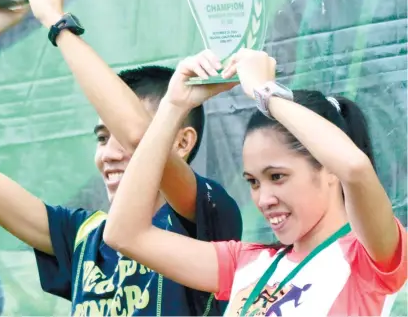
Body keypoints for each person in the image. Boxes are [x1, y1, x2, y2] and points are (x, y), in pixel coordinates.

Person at [0, 0, 242, 316]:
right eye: (102, 138)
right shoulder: (84, 237)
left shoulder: (206, 216)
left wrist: (56, 20)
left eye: (119, 138)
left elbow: (139, 137)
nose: (109, 154)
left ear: (181, 142)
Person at [103, 48, 407, 316]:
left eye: (277, 177)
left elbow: (354, 167)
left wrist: (267, 94)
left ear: (329, 168)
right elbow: (124, 233)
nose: (263, 199)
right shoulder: (247, 263)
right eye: (254, 182)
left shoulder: (369, 258)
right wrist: (173, 107)